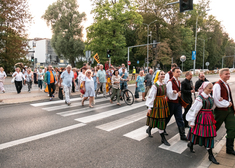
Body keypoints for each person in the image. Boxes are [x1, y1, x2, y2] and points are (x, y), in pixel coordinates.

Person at [186, 82, 219, 164]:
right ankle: (192, 144)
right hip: (202, 118)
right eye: (209, 88)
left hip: (209, 117)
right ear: (204, 88)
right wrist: (192, 122)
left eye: (212, 88)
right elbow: (194, 111)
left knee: (208, 135)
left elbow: (212, 106)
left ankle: (210, 155)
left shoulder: (210, 96)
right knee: (198, 133)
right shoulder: (200, 98)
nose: (211, 90)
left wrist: (218, 100)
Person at [213, 68, 235, 156]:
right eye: (226, 74)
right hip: (220, 111)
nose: (228, 75)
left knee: (232, 128)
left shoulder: (226, 84)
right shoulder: (217, 85)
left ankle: (229, 148)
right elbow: (216, 100)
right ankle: (203, 140)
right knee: (214, 128)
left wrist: (230, 105)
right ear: (220, 75)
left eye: (229, 74)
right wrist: (227, 103)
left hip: (229, 110)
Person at [145, 70, 171, 146]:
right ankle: (163, 139)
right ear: (158, 76)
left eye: (164, 74)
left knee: (156, 118)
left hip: (163, 103)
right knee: (160, 120)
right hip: (157, 103)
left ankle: (149, 129)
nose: (163, 75)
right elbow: (151, 97)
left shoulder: (164, 84)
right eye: (161, 74)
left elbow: (167, 94)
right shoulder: (155, 86)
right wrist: (150, 108)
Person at [165, 67, 187, 141]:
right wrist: (175, 93)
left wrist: (178, 94)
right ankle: (162, 129)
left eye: (179, 72)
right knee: (167, 118)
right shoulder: (170, 82)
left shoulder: (179, 82)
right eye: (177, 72)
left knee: (180, 118)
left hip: (177, 103)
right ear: (173, 73)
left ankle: (182, 135)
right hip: (171, 103)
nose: (179, 73)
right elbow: (168, 93)